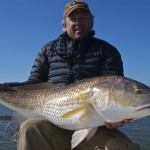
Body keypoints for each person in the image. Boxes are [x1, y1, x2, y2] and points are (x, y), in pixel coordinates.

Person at [3, 1, 140, 150]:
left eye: (83, 18)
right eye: (72, 18)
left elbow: (115, 88)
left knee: (124, 147)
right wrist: (5, 88)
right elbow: (33, 82)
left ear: (92, 22)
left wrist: (120, 117)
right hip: (50, 121)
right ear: (64, 24)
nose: (77, 22)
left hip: (97, 126)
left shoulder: (108, 51)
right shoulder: (48, 50)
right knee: (30, 127)